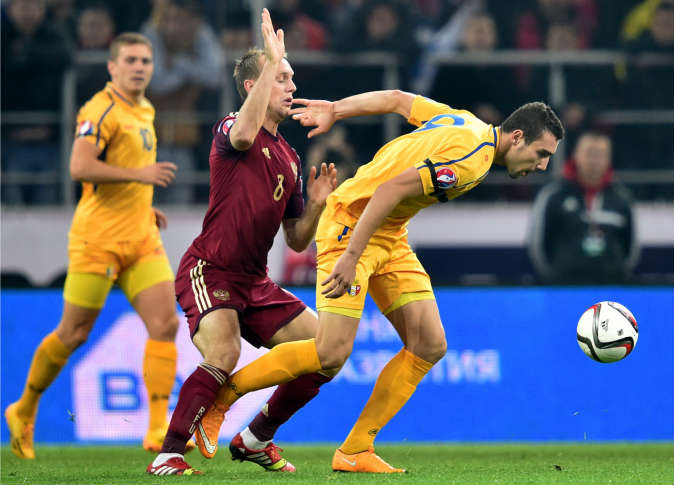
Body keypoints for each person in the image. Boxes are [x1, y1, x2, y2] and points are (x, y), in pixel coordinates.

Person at [195, 89, 565, 473]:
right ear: (517, 137)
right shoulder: (471, 159)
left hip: (389, 234)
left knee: (429, 344)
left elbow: (397, 100)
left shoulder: (464, 121)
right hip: (352, 225)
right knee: (330, 352)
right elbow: (390, 189)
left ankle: (355, 450)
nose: (542, 165)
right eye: (542, 153)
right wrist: (351, 257)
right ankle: (223, 396)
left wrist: (336, 108)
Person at [146, 9, 338, 476]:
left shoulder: (290, 157)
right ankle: (169, 454)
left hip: (255, 282)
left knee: (327, 351)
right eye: (282, 77)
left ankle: (256, 437)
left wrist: (316, 206)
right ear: (254, 85)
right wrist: (271, 57)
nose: (291, 86)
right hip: (210, 270)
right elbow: (246, 133)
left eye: (291, 77)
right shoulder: (230, 127)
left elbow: (296, 240)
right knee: (225, 353)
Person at [4, 32, 189, 459]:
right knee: (73, 333)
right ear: (112, 67)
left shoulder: (144, 107)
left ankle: (157, 427)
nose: (139, 67)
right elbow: (79, 165)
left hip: (140, 238)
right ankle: (24, 408)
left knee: (165, 325)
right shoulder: (99, 109)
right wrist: (140, 178)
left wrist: (142, 203)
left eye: (145, 61)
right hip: (98, 240)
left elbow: (124, 169)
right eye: (130, 60)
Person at [528, 131, 637, 284]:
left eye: (600, 155)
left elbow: (630, 247)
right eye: (589, 154)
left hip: (611, 288)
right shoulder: (554, 195)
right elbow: (539, 245)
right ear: (576, 155)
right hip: (563, 288)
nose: (594, 161)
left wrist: (618, 275)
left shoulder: (622, 199)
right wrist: (553, 280)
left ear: (609, 159)